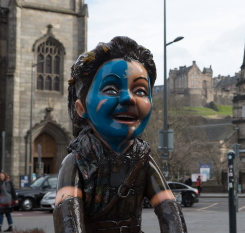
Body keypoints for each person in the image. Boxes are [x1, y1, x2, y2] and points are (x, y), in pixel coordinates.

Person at [53, 36, 187, 233]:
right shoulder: (76, 162)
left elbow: (169, 209)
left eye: (140, 91)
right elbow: (68, 217)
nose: (127, 98)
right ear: (81, 108)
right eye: (110, 89)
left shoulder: (142, 159)